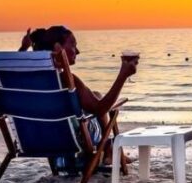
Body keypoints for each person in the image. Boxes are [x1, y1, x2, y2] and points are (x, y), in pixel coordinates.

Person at [21, 25, 136, 163]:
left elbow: (13, 67)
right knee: (98, 102)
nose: (78, 51)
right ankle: (107, 147)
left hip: (34, 138)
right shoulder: (66, 79)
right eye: (73, 45)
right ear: (58, 48)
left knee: (95, 95)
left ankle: (108, 149)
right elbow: (100, 109)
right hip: (71, 139)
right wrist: (123, 75)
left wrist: (23, 49)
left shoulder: (25, 80)